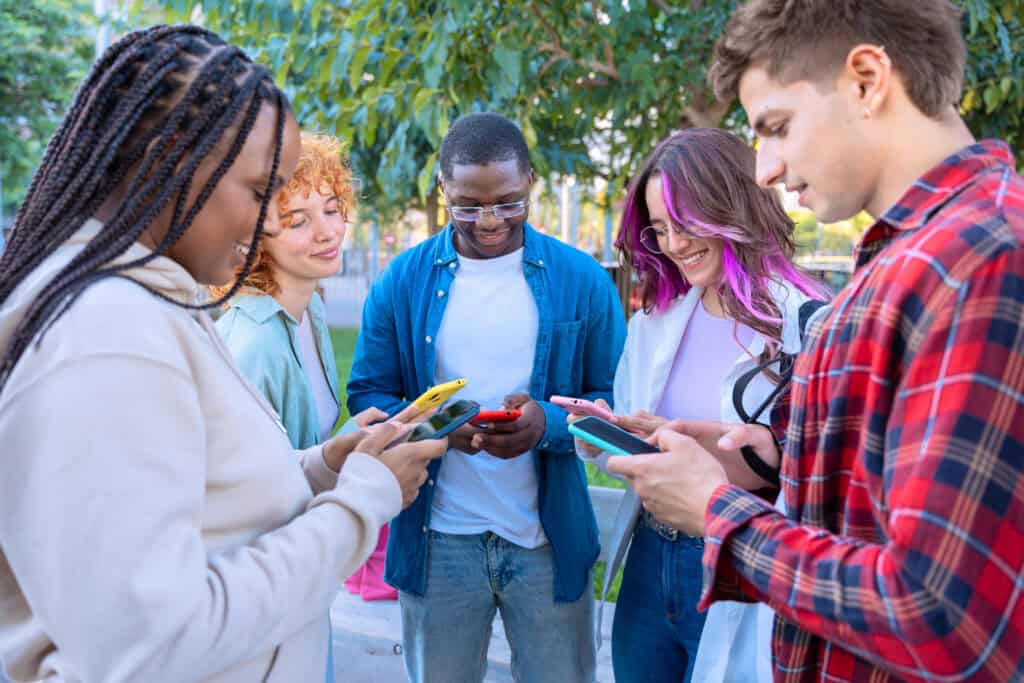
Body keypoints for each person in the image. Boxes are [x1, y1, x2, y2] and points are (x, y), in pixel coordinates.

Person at [0, 25, 443, 683]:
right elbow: (150, 646)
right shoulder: (108, 334)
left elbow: (197, 506)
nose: (270, 222)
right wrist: (358, 505)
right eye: (261, 188)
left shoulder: (148, 303)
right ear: (168, 157)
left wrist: (322, 468)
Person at [608, 2, 1024, 682]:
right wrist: (771, 462)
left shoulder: (979, 259)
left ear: (866, 79)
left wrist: (721, 513)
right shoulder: (906, 258)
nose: (765, 169)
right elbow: (878, 499)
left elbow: (941, 616)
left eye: (776, 127)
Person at [347, 112, 627, 682]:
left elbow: (614, 400)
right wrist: (437, 431)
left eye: (508, 201)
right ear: (443, 189)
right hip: (438, 540)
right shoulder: (403, 280)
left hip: (548, 542)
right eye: (469, 206)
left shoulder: (582, 280)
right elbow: (369, 394)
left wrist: (546, 423)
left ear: (530, 182)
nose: (491, 220)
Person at [574, 128, 827, 683]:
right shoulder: (656, 321)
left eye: (684, 225)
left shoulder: (809, 325)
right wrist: (606, 434)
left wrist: (729, 457)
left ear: (732, 207)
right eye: (659, 229)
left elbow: (820, 479)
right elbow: (636, 441)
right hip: (648, 560)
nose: (672, 244)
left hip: (739, 562)